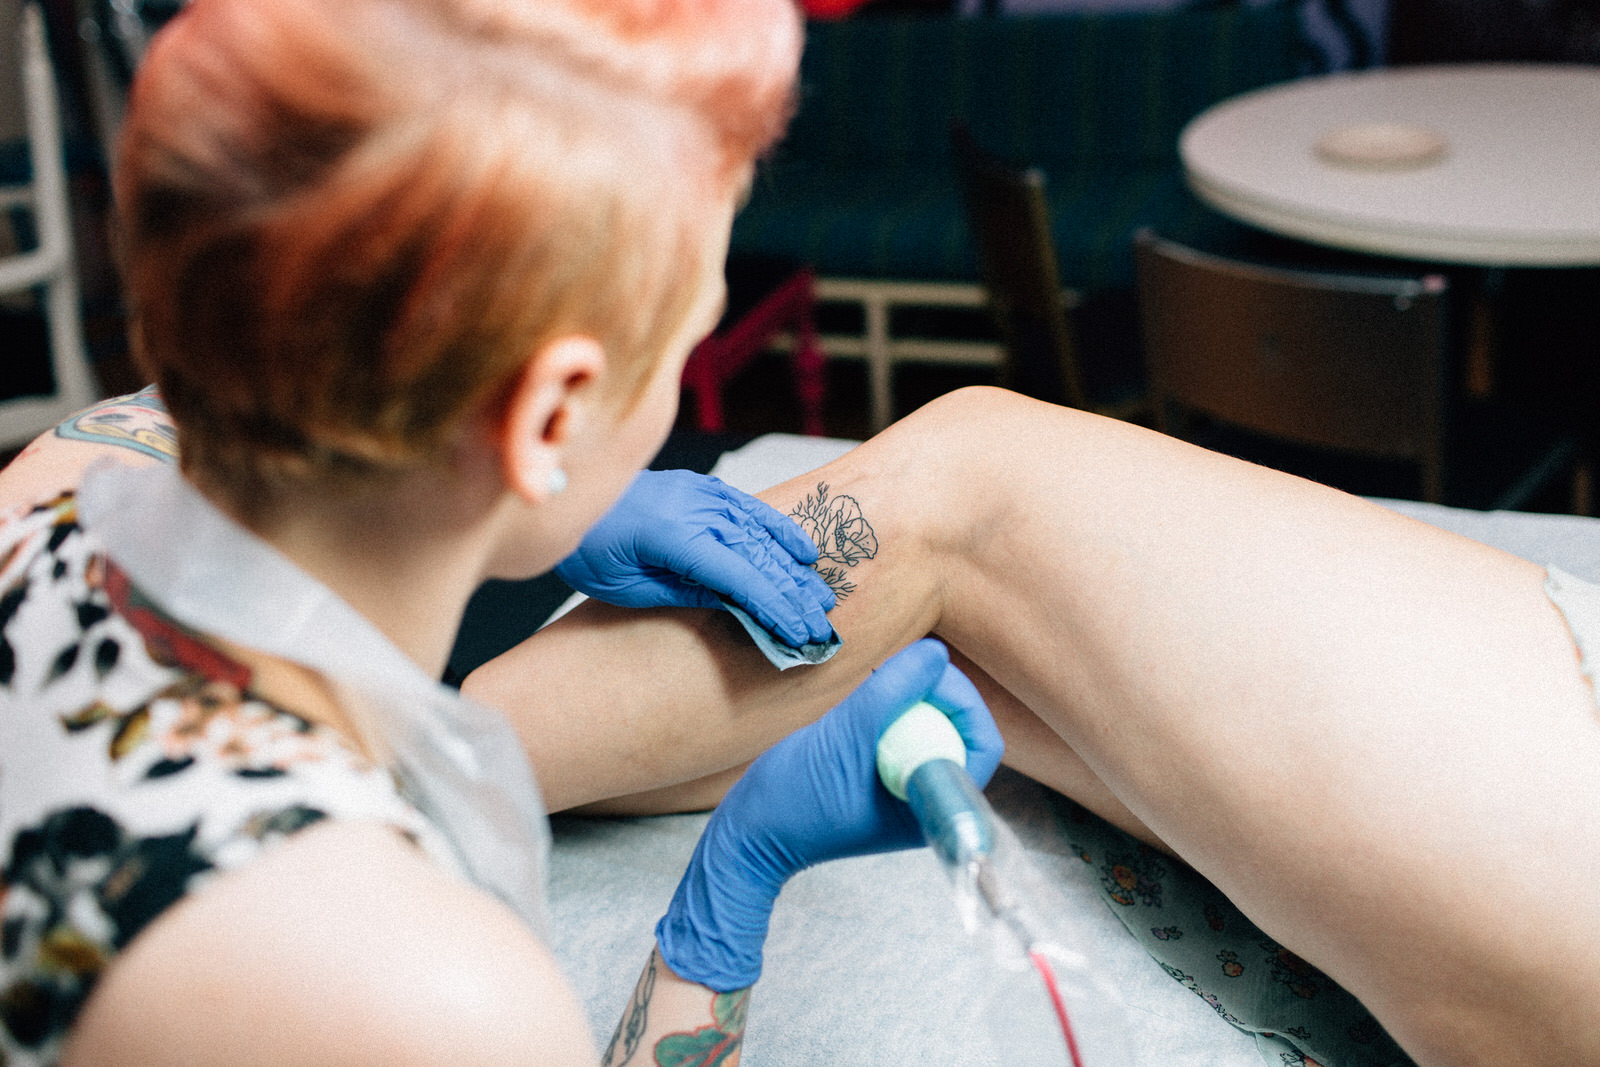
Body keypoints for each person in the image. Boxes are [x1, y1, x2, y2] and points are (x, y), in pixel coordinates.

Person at [0, 0, 1005, 1064]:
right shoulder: (422, 990)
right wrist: (729, 893)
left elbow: (201, 377)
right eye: (682, 339)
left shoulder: (37, 501)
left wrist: (508, 473)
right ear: (550, 413)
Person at [466, 383, 1600, 1067]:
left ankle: (424, 754)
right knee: (993, 654)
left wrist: (723, 900)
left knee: (972, 486)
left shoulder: (364, 969)